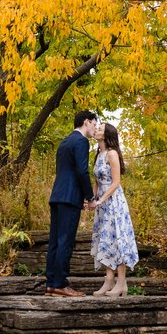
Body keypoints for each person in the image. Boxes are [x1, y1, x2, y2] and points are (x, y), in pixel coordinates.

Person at [45, 110, 98, 297]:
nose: (94, 128)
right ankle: (60, 283)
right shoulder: (81, 142)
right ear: (86, 122)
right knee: (65, 241)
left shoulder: (65, 141)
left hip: (57, 196)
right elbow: (82, 172)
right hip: (70, 198)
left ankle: (51, 284)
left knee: (55, 241)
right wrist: (90, 197)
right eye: (94, 124)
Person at [89, 122, 139, 297]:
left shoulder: (112, 154)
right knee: (106, 240)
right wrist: (91, 199)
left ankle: (121, 283)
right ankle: (109, 280)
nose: (96, 130)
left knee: (117, 239)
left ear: (107, 134)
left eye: (100, 129)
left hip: (114, 202)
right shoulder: (99, 154)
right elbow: (96, 182)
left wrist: (102, 199)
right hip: (102, 204)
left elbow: (116, 182)